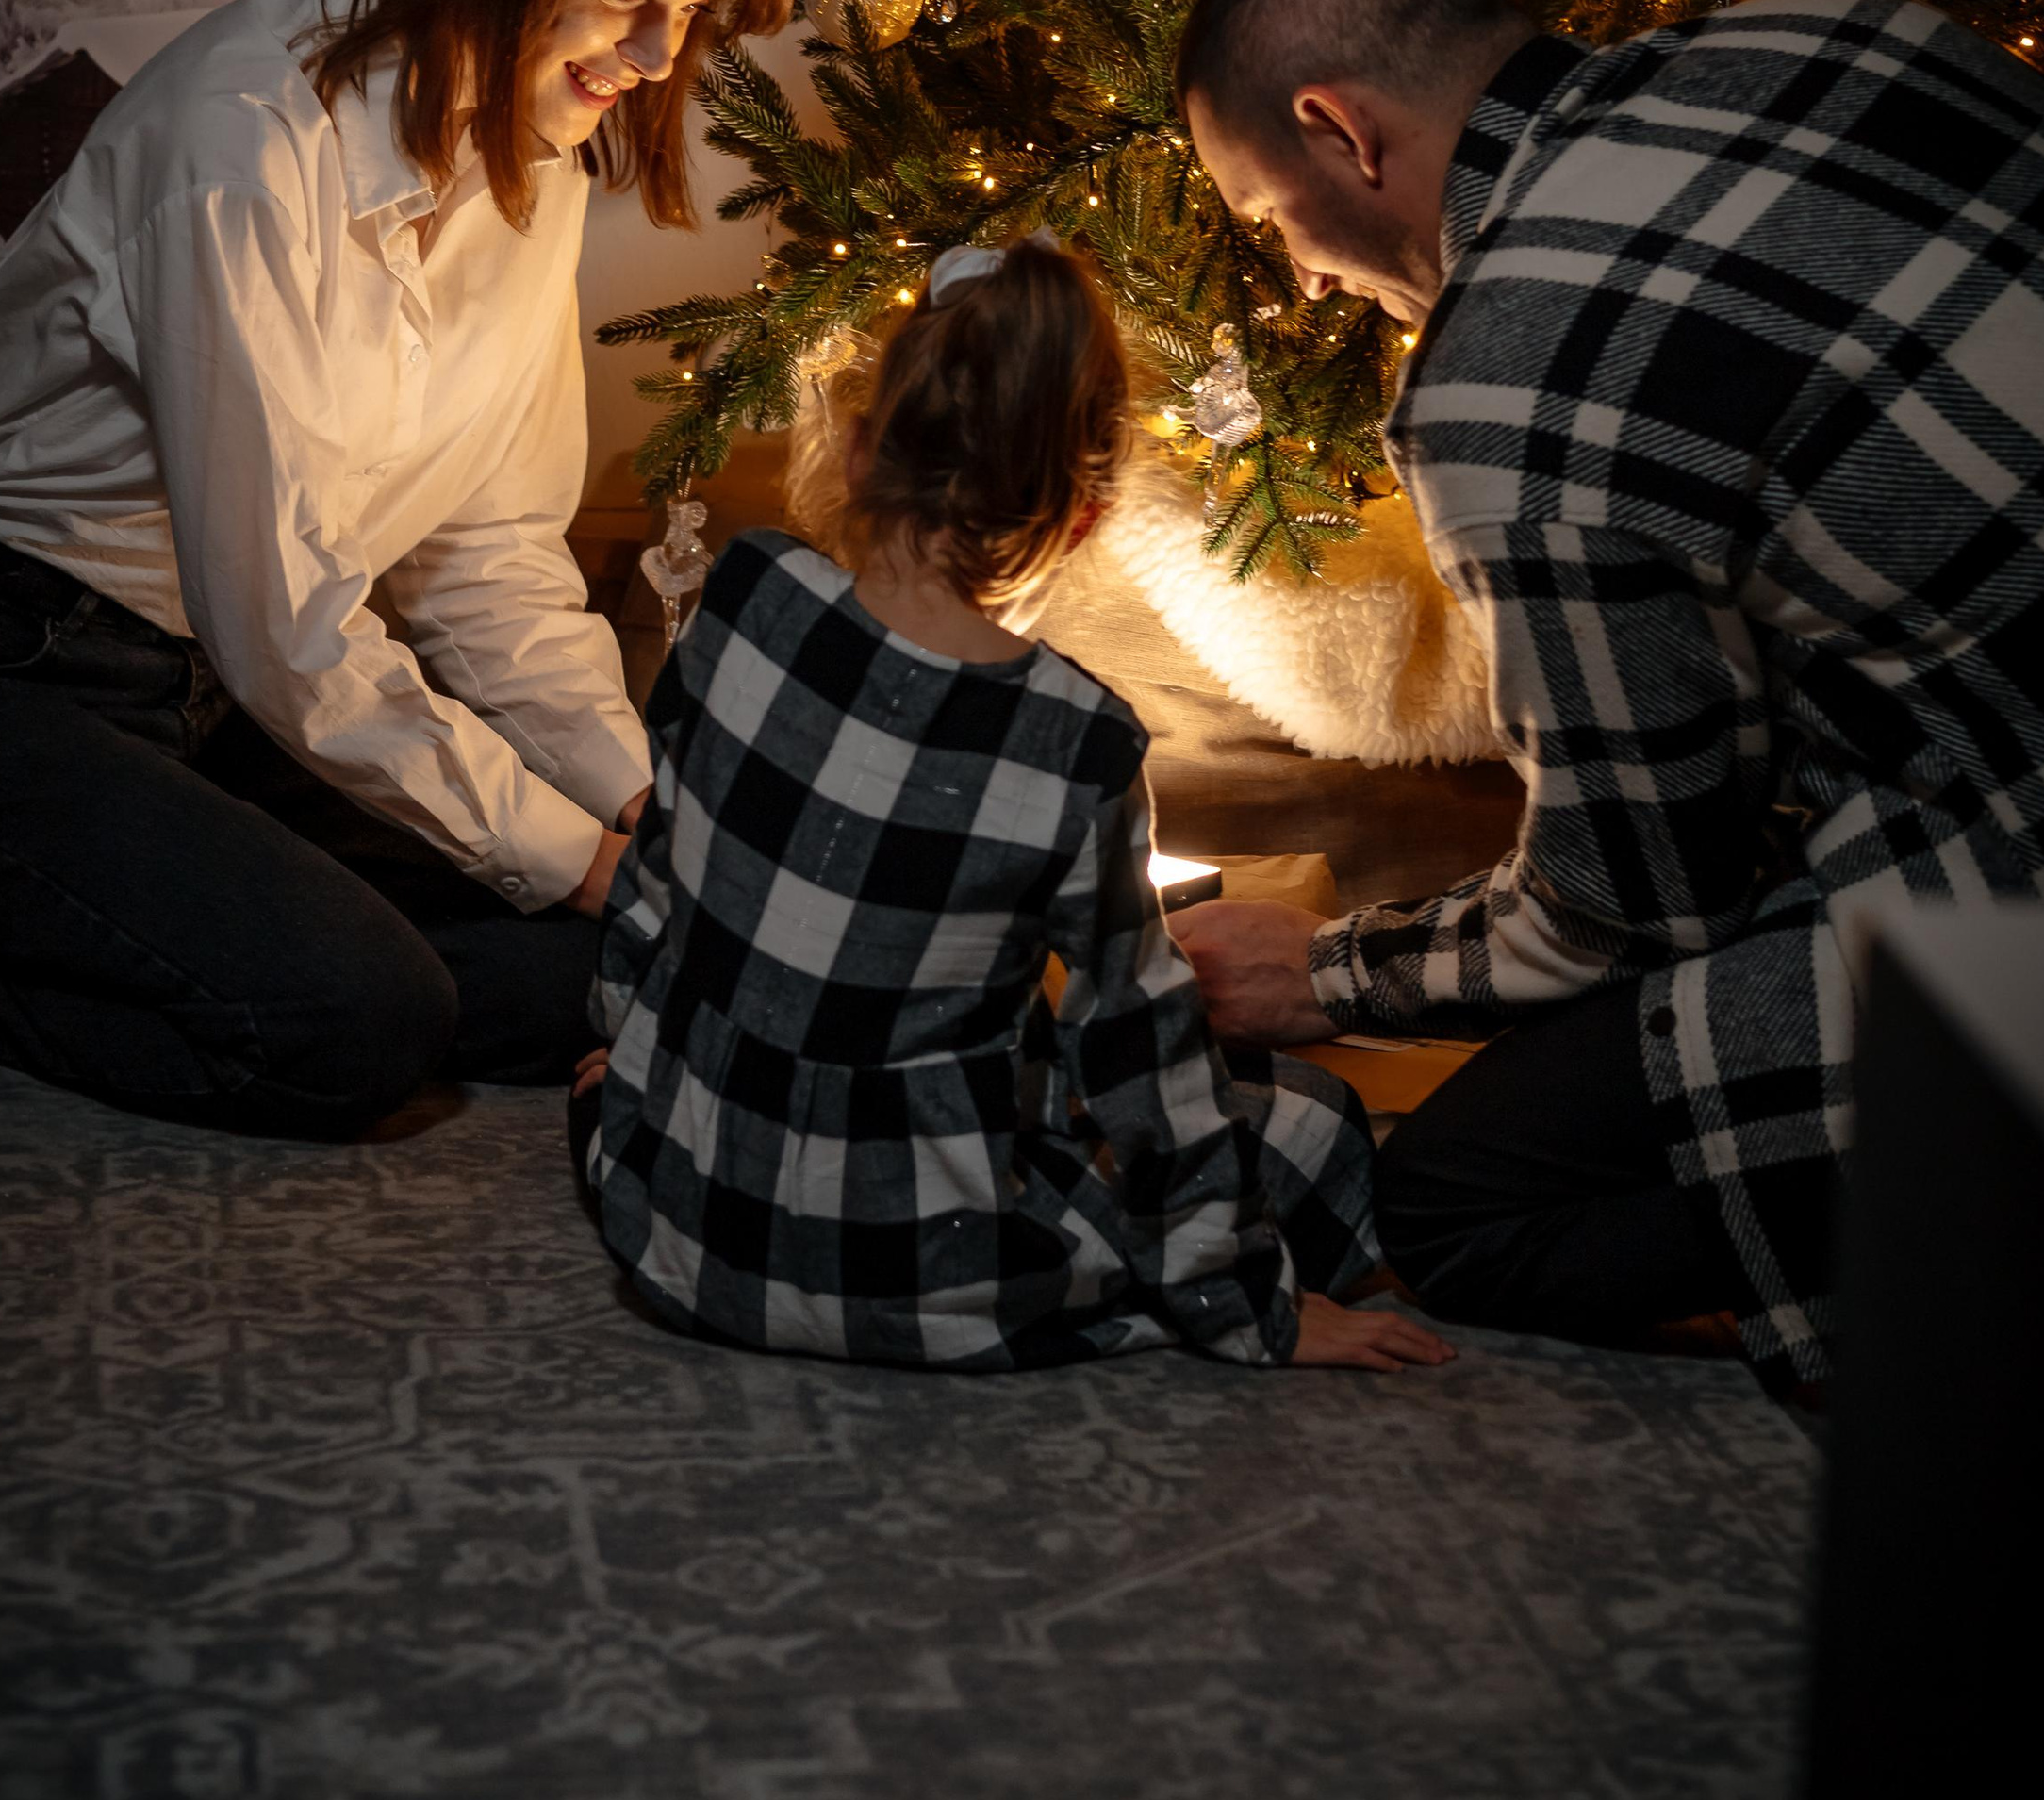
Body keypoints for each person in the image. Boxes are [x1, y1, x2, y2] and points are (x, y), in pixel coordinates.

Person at [1168, 0, 2044, 1395]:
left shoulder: (1509, 383)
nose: (1299, 274)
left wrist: (1328, 976)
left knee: (1458, 1197)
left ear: (1340, 132)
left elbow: (1638, 904)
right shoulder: (1847, 28)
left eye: (1265, 216)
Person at [0, 0, 795, 1139]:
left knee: (626, 947)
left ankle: (173, 917)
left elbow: (487, 559)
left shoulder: (540, 152)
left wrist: (644, 819)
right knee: (353, 1023)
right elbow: (290, 628)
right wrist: (571, 862)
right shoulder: (242, 145)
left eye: (685, 8)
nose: (651, 49)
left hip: (212, 700)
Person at [572, 236, 1457, 1376]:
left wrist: (626, 1041)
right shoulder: (1074, 737)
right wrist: (1259, 1311)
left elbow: (660, 866)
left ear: (853, 450)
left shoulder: (747, 593)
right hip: (916, 1272)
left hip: (676, 1228)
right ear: (1080, 515)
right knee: (1314, 1126)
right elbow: (1142, 1063)